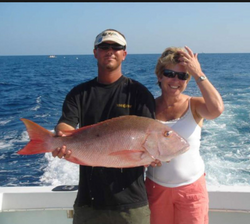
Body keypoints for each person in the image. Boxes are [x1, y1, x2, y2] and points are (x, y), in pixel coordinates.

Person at [52, 29, 156, 224]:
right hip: (88, 203)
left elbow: (152, 136)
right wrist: (60, 137)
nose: (110, 51)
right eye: (104, 47)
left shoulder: (140, 94)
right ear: (95, 52)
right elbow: (66, 124)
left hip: (131, 205)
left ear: (124, 54)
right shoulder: (79, 93)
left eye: (117, 47)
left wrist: (156, 155)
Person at [146, 46, 224, 224]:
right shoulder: (147, 107)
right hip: (155, 189)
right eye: (169, 73)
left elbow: (217, 109)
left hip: (191, 191)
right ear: (159, 75)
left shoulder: (194, 105)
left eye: (183, 76)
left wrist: (197, 73)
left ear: (188, 80)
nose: (176, 80)